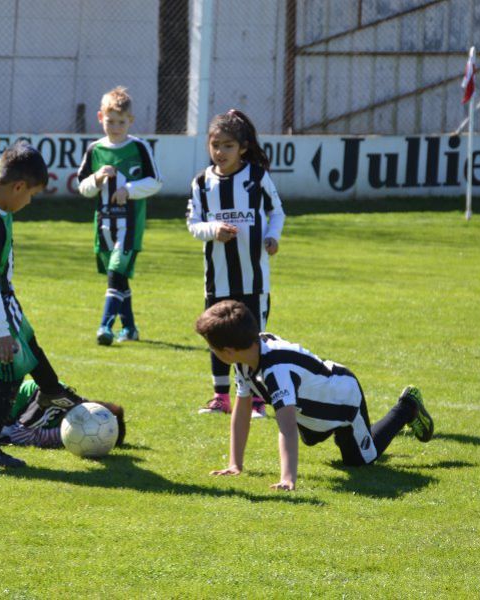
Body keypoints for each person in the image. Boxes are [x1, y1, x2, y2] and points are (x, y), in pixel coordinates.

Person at [195, 300, 434, 492]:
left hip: (343, 400)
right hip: (311, 410)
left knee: (360, 460)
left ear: (228, 351)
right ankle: (338, 433)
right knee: (310, 437)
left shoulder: (275, 370)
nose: (212, 352)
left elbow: (286, 427)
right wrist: (235, 464)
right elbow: (242, 409)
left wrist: (288, 479)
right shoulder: (246, 356)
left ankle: (407, 407)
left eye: (212, 348)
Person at [0, 141, 86, 460]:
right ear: (17, 186)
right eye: (31, 195)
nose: (29, 201)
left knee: (27, 338)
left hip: (3, 297)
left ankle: (51, 391)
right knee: (10, 369)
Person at [186, 109, 285, 419]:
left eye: (228, 145)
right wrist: (213, 230)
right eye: (215, 145)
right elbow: (193, 224)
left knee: (252, 338)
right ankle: (220, 397)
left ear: (242, 147)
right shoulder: (202, 182)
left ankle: (256, 400)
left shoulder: (256, 177)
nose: (220, 152)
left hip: (254, 279)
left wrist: (272, 236)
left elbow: (277, 212)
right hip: (218, 279)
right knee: (216, 335)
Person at [76, 86, 161, 345]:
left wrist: (129, 189)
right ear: (100, 118)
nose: (115, 127)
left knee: (115, 272)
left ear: (130, 121)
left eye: (121, 122)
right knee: (119, 279)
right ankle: (131, 329)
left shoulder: (139, 147)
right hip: (103, 225)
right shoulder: (94, 150)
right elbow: (82, 187)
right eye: (110, 121)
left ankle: (105, 327)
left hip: (130, 226)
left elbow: (156, 181)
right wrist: (97, 177)